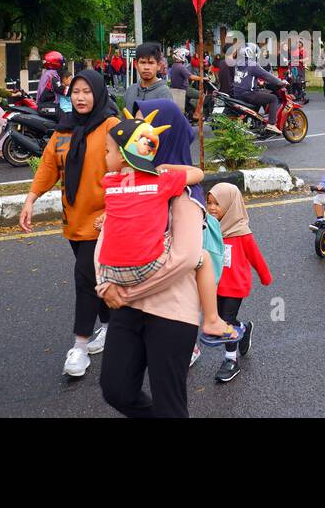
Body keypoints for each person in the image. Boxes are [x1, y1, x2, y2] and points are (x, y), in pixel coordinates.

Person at [94, 104, 208, 417]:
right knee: (116, 388)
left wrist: (125, 292)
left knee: (170, 404)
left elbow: (183, 259)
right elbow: (106, 240)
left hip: (170, 312)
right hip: (127, 307)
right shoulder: (125, 184)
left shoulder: (185, 192)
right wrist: (104, 284)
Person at [96, 111, 238, 341]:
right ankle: (212, 319)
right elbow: (198, 173)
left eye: (107, 151)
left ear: (122, 157)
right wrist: (166, 168)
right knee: (202, 257)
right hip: (144, 272)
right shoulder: (162, 182)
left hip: (110, 273)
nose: (104, 157)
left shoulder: (109, 183)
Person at [20, 70, 119, 378]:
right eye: (75, 91)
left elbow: (126, 170)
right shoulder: (64, 130)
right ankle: (113, 326)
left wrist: (114, 210)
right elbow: (50, 165)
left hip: (104, 221)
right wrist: (30, 199)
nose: (80, 97)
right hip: (74, 220)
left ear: (98, 94)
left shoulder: (111, 126)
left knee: (84, 277)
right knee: (95, 279)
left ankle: (79, 346)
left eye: (87, 91)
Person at [204, 183, 271, 383]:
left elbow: (255, 256)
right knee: (219, 319)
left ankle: (230, 361)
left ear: (230, 205)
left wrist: (264, 276)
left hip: (235, 286)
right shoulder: (207, 228)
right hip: (212, 284)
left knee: (225, 321)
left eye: (217, 203)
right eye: (209, 203)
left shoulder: (242, 233)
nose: (212, 207)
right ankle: (244, 328)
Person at [233, 42, 285, 134]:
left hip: (237, 93)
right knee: (273, 98)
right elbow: (267, 76)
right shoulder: (253, 64)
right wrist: (280, 82)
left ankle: (255, 122)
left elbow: (246, 78)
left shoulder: (238, 63)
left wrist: (258, 83)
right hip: (248, 94)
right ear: (250, 53)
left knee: (261, 94)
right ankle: (271, 124)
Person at [123, 42, 173, 108]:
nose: (146, 67)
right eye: (143, 62)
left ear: (158, 65)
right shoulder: (130, 91)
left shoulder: (164, 93)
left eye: (151, 63)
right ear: (136, 65)